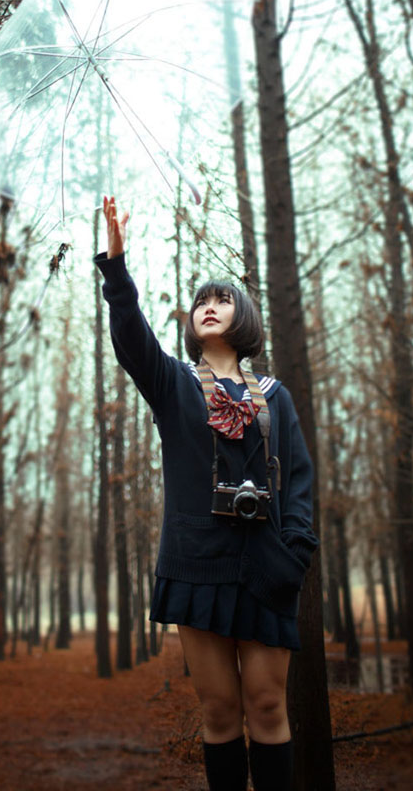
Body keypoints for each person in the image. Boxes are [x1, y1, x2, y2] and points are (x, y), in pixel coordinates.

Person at [95, 196, 318, 791]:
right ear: (191, 322)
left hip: (267, 562)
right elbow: (130, 339)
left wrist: (295, 551)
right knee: (218, 711)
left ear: (242, 317)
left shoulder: (275, 395)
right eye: (201, 301)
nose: (209, 307)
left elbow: (297, 480)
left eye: (222, 299)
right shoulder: (172, 383)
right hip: (195, 563)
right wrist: (117, 271)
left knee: (268, 706)